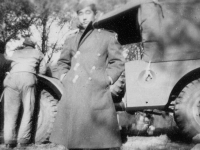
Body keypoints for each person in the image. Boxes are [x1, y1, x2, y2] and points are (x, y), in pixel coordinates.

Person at [49, 0, 125, 149]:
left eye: (87, 13)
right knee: (74, 141)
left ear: (95, 15)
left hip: (96, 93)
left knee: (97, 142)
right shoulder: (71, 39)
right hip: (74, 93)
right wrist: (65, 78)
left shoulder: (107, 37)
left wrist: (107, 78)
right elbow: (62, 63)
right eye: (80, 13)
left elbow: (118, 62)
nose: (84, 17)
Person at [3, 37, 46, 149]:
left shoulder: (15, 53)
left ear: (24, 45)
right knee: (28, 110)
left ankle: (9, 142)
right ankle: (23, 141)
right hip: (27, 78)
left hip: (11, 79)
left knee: (10, 113)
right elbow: (43, 71)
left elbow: (7, 64)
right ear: (33, 45)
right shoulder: (38, 53)